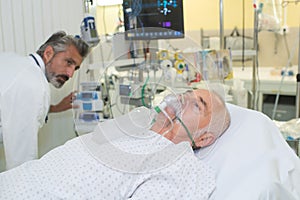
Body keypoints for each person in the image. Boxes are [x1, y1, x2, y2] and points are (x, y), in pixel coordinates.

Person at [0, 88, 230, 199]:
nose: (183, 98)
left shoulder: (180, 168)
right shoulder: (136, 128)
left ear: (203, 138)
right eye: (187, 92)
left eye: (198, 105)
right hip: (14, 181)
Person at [0, 31, 90, 170]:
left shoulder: (16, 64)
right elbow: (20, 161)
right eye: (68, 62)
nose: (70, 74)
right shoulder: (32, 84)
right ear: (48, 54)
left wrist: (54, 108)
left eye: (75, 68)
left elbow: (8, 106)